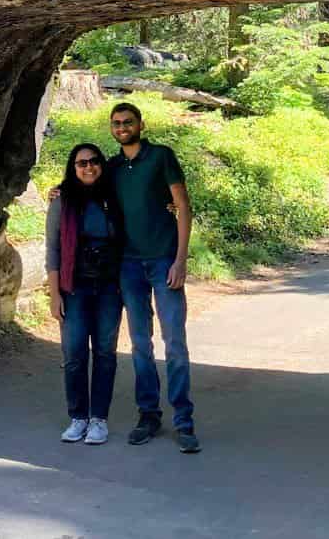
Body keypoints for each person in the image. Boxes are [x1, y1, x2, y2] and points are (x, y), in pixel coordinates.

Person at [49, 101, 200, 453]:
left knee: (174, 343)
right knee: (140, 344)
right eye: (116, 123)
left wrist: (180, 259)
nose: (122, 127)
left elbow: (182, 207)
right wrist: (59, 191)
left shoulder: (161, 156)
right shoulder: (112, 167)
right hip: (128, 266)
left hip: (164, 261)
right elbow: (83, 185)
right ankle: (148, 414)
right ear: (111, 128)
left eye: (128, 122)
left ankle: (184, 421)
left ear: (140, 124)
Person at [44, 142, 125, 445]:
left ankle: (99, 419)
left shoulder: (115, 198)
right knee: (74, 354)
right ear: (72, 167)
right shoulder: (61, 201)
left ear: (101, 164)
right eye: (81, 163)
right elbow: (52, 250)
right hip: (74, 287)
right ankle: (78, 417)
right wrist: (54, 295)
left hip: (108, 287)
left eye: (93, 161)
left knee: (105, 353)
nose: (88, 167)